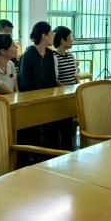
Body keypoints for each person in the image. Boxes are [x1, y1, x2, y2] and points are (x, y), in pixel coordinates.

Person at [18, 21, 72, 152]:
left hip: (49, 98)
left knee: (67, 114)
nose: (53, 35)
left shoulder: (49, 55)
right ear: (44, 36)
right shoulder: (28, 55)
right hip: (32, 101)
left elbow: (52, 80)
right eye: (51, 33)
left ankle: (64, 151)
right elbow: (25, 84)